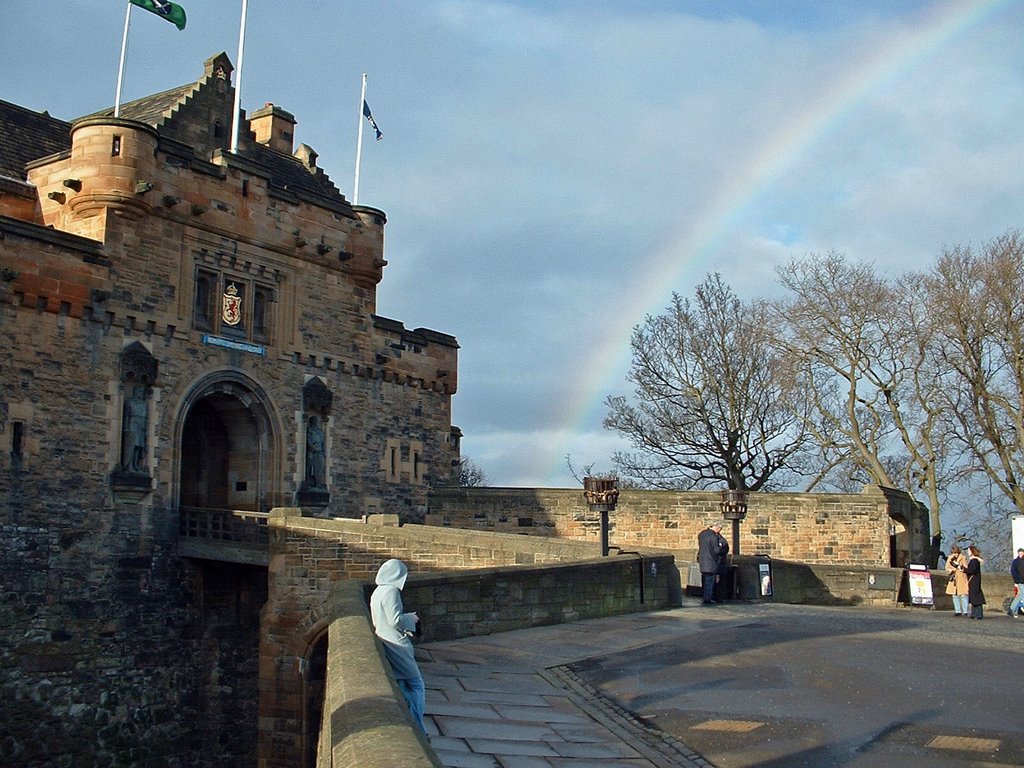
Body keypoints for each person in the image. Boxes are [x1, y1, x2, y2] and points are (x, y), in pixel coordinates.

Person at [370, 558, 427, 733]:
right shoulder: (391, 592)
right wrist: (411, 618)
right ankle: (418, 726)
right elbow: (394, 621)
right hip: (396, 643)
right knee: (417, 684)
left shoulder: (377, 592)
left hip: (384, 639)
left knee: (402, 684)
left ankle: (410, 721)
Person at [697, 521, 729, 605]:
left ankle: (706, 596)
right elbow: (717, 550)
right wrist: (722, 548)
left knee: (705, 579)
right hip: (711, 562)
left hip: (702, 560)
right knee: (709, 581)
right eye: (720, 529)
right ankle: (707, 599)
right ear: (717, 528)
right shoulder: (714, 537)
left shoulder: (702, 534)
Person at [945, 544, 969, 617]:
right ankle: (957, 610)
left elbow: (965, 568)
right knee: (954, 595)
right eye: (953, 553)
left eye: (956, 553)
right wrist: (951, 570)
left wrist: (958, 566)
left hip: (961, 577)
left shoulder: (962, 558)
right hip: (954, 577)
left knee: (963, 595)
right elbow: (947, 568)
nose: (954, 554)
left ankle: (965, 611)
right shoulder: (950, 558)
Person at [965, 545, 986, 620]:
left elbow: (972, 570)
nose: (968, 552)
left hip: (974, 581)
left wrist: (964, 570)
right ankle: (975, 613)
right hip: (975, 581)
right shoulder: (975, 560)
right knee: (974, 597)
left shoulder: (974, 560)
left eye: (968, 551)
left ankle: (977, 614)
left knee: (975, 597)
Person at [1008, 548, 1024, 618]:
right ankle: (1012, 609)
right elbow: (1013, 571)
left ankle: (1011, 609)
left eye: (1022, 553)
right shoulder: (1016, 561)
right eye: (1019, 553)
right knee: (1022, 595)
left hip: (1021, 580)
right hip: (1020, 580)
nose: (1021, 555)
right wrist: (1017, 579)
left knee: (1019, 595)